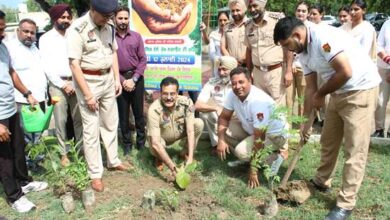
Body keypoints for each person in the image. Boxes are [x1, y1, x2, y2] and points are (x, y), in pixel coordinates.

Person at [274, 16, 380, 219]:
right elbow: (311, 89)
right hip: (337, 90)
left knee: (354, 149)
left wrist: (321, 94)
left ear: (297, 34)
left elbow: (346, 72)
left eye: (288, 45)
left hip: (361, 89)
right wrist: (306, 123)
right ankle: (322, 180)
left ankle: (346, 203)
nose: (289, 51)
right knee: (328, 140)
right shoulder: (302, 50)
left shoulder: (323, 37)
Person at [66, 0, 129, 192]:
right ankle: (95, 173)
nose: (108, 20)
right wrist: (88, 95)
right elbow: (74, 65)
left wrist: (117, 79)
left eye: (110, 16)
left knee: (110, 122)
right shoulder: (77, 29)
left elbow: (113, 53)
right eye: (105, 16)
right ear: (93, 10)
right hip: (88, 82)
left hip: (108, 79)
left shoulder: (108, 26)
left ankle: (113, 160)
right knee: (91, 129)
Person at [0, 10, 48, 213]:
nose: (3, 33)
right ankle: (13, 195)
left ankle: (23, 181)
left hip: (11, 108)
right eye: (0, 29)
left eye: (3, 28)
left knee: (18, 149)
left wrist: (27, 93)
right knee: (4, 157)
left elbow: (11, 72)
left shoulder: (2, 47)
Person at [217, 67, 289, 188]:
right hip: (254, 130)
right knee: (224, 131)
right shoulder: (232, 94)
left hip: (274, 135)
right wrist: (221, 140)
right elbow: (223, 117)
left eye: (241, 82)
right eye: (234, 83)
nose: (237, 86)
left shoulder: (259, 102)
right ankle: (252, 157)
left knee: (241, 152)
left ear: (250, 80)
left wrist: (253, 170)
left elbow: (259, 139)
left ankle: (276, 156)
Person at [39, 3, 83, 166]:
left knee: (79, 119)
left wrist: (74, 82)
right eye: (62, 17)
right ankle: (63, 154)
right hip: (56, 86)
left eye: (68, 17)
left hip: (76, 83)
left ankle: (80, 151)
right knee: (60, 120)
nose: (66, 20)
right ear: (54, 18)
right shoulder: (45, 39)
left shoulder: (74, 35)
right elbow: (46, 66)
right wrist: (63, 84)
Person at [147, 77, 204, 176]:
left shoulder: (187, 103)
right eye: (165, 93)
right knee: (155, 144)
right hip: (161, 138)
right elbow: (156, 143)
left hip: (179, 132)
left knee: (199, 123)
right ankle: (159, 158)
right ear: (160, 93)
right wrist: (173, 168)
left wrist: (190, 158)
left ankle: (185, 153)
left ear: (177, 93)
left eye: (172, 94)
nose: (169, 97)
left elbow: (190, 131)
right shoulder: (153, 109)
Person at [5, 19, 48, 145]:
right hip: (23, 101)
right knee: (26, 137)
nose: (29, 35)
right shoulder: (10, 48)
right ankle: (28, 164)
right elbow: (10, 74)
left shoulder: (34, 48)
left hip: (39, 99)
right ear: (18, 31)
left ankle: (37, 162)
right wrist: (27, 94)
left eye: (32, 32)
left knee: (38, 134)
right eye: (26, 31)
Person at [244, 0, 292, 106]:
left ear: (263, 4)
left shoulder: (276, 20)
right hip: (257, 74)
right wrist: (248, 72)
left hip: (275, 73)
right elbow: (249, 50)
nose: (252, 9)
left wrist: (288, 71)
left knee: (278, 109)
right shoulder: (247, 26)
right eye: (249, 7)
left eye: (255, 6)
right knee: (260, 106)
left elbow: (287, 46)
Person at [114, 6, 147, 155]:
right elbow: (109, 62)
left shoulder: (136, 36)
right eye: (120, 18)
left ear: (129, 19)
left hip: (136, 78)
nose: (123, 21)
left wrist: (133, 79)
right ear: (115, 19)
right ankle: (127, 145)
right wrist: (122, 80)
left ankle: (141, 144)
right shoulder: (110, 38)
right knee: (123, 115)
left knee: (139, 113)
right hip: (118, 79)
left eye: (125, 18)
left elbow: (143, 60)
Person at [195, 56, 243, 153]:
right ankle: (216, 144)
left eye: (225, 70)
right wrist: (215, 107)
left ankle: (230, 145)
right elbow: (197, 105)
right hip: (218, 115)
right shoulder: (212, 83)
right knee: (205, 114)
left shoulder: (240, 84)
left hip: (236, 117)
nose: (221, 73)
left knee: (240, 151)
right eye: (219, 69)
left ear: (233, 70)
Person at [286, 0, 312, 116]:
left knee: (303, 99)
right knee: (288, 99)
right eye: (298, 10)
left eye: (303, 11)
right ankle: (287, 128)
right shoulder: (290, 27)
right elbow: (287, 48)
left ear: (308, 13)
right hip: (290, 68)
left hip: (305, 69)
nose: (300, 13)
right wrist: (290, 65)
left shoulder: (311, 28)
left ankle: (303, 129)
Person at [373, 19, 390, 137]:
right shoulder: (387, 23)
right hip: (384, 67)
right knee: (380, 100)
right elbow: (378, 46)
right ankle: (379, 129)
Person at [220, 0, 248, 67]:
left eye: (238, 10)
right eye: (232, 11)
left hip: (247, 65)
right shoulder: (226, 27)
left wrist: (244, 59)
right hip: (231, 65)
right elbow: (223, 47)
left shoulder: (250, 25)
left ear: (244, 10)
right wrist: (232, 61)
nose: (235, 13)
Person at [209, 11, 229, 78]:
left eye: (225, 20)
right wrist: (220, 61)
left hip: (231, 66)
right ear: (218, 21)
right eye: (220, 20)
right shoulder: (213, 34)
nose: (222, 23)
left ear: (229, 20)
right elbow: (212, 53)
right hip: (218, 67)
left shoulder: (232, 33)